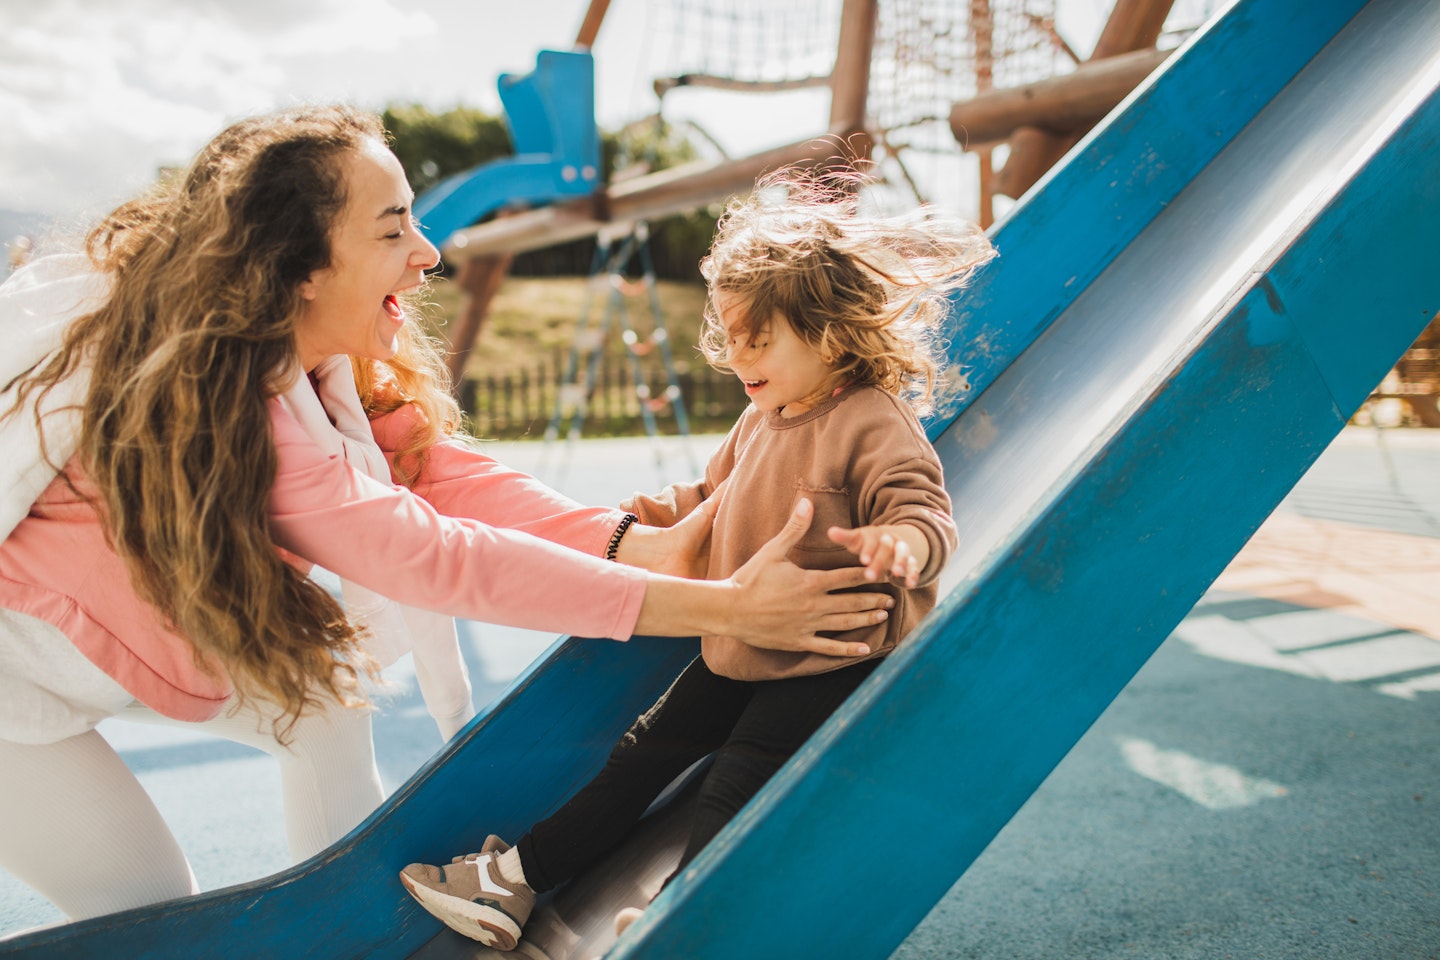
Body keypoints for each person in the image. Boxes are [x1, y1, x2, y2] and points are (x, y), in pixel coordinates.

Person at [0, 105, 894, 924]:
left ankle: (348, 929)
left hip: (106, 646)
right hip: (13, 705)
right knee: (149, 911)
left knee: (318, 707)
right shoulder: (232, 404)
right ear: (301, 268)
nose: (427, 253)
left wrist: (637, 545)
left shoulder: (301, 359)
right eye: (393, 229)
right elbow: (434, 556)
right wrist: (727, 610)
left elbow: (437, 471)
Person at [398, 165, 996, 950]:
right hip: (738, 641)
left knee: (735, 784)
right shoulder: (761, 419)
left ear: (827, 331)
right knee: (639, 756)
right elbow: (702, 504)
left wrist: (902, 544)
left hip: (826, 654)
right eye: (730, 333)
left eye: (759, 336)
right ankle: (514, 881)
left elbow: (922, 508)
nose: (737, 353)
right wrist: (618, 523)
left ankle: (683, 919)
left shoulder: (869, 419)